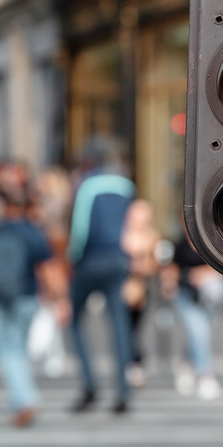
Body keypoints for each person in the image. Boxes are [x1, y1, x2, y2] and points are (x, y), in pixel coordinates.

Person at [0, 173, 69, 428]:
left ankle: (24, 398)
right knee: (17, 348)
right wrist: (60, 299)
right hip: (27, 297)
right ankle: (22, 397)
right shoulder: (34, 234)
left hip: (1, 296)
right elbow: (48, 270)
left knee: (6, 349)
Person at [68, 161, 136, 414]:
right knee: (119, 324)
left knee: (75, 321)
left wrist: (73, 256)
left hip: (90, 261)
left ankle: (89, 383)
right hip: (118, 261)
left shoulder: (88, 186)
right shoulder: (126, 187)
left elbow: (81, 227)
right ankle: (122, 390)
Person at [160, 233, 223, 400]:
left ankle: (185, 364)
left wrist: (202, 274)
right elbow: (170, 268)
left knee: (203, 334)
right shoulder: (179, 244)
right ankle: (204, 375)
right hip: (185, 295)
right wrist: (171, 281)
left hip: (211, 296)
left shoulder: (216, 240)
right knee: (199, 332)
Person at [120, 199, 161, 388]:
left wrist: (142, 266)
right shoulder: (121, 233)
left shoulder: (152, 236)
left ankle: (134, 363)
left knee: (136, 329)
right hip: (121, 287)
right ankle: (127, 364)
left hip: (141, 289)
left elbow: (156, 264)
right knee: (122, 328)